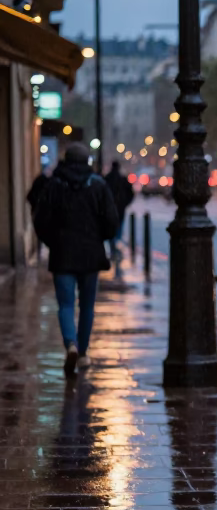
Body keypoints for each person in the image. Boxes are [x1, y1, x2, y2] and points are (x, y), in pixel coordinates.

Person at [32, 143, 119, 376]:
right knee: (87, 305)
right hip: (91, 254)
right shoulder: (98, 185)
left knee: (66, 304)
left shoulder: (54, 185)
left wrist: (53, 241)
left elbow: (40, 220)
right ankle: (82, 353)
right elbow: (111, 220)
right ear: (87, 161)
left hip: (62, 254)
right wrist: (102, 237)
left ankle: (70, 343)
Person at [103, 161, 134, 258]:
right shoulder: (122, 179)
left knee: (110, 226)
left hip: (109, 208)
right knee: (119, 226)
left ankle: (113, 245)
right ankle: (115, 243)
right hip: (120, 208)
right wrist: (125, 203)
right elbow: (131, 193)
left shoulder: (107, 179)